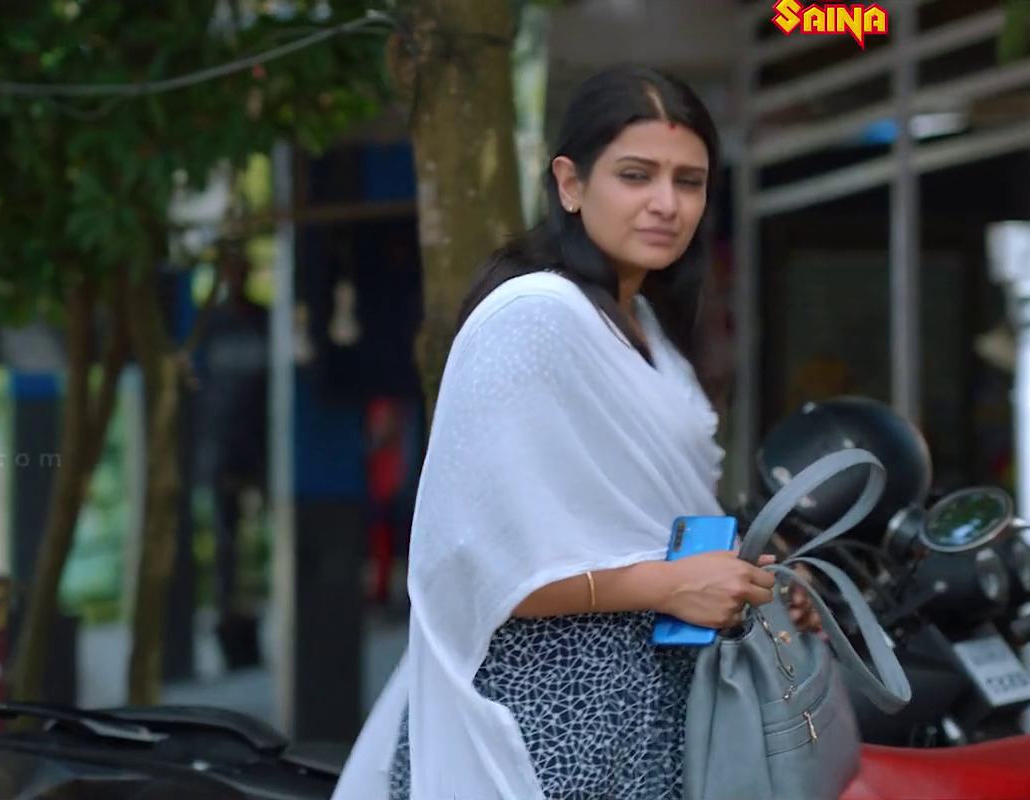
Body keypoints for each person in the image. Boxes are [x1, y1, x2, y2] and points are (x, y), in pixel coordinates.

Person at [330, 65, 822, 800]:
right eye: (636, 175)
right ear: (570, 183)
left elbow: (656, 521)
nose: (666, 203)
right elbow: (479, 562)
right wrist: (669, 584)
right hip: (548, 709)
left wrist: (758, 583)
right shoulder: (533, 317)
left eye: (689, 182)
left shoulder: (646, 325)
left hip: (653, 700)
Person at [191, 248, 269, 670]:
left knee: (257, 545)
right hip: (222, 450)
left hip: (260, 452)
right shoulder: (209, 325)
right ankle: (229, 626)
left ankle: (253, 624)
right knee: (225, 544)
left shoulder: (264, 320)